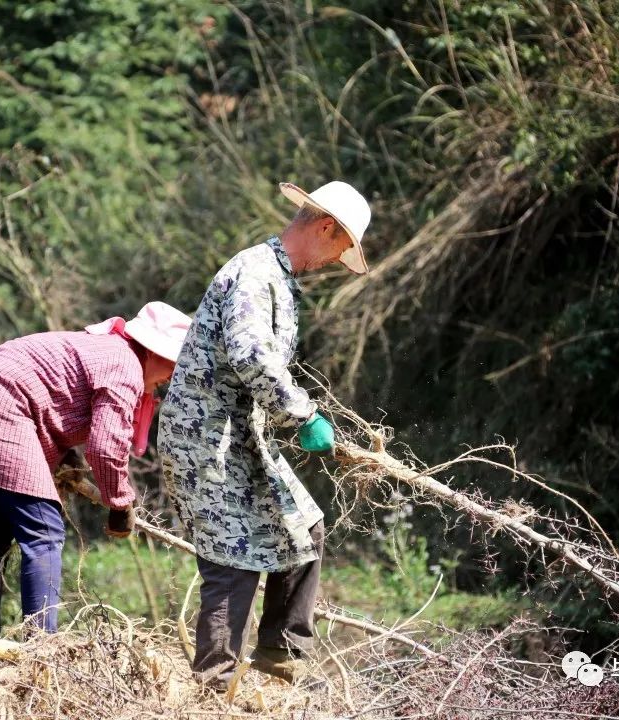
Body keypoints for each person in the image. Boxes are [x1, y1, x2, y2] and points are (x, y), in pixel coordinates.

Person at [158, 180, 371, 687]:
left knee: (303, 528)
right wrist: (304, 416)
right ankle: (214, 687)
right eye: (340, 249)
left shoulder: (275, 276)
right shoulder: (255, 274)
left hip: (240, 438)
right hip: (205, 442)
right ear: (325, 228)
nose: (334, 262)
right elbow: (252, 355)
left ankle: (281, 657)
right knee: (233, 561)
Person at [0, 301, 191, 638]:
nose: (171, 375)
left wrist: (66, 456)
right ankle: (43, 649)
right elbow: (106, 447)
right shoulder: (125, 364)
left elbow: (51, 400)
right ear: (154, 350)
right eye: (173, 364)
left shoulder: (101, 349)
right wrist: (120, 504)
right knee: (44, 534)